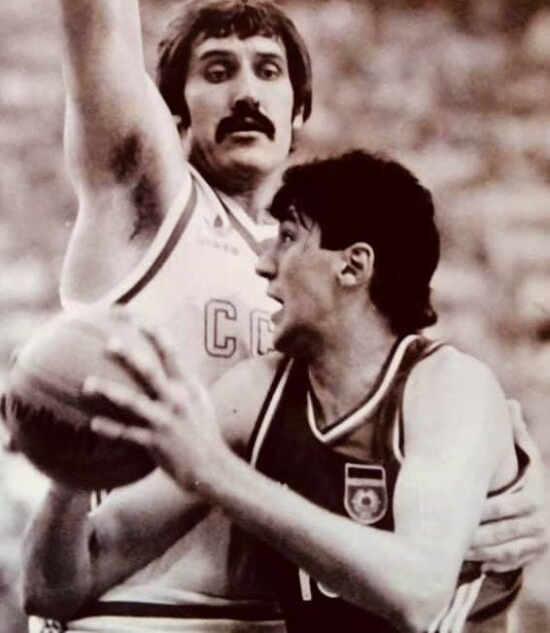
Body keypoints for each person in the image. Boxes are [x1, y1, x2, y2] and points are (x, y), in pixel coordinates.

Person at [31, 0, 545, 629]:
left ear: (300, 112)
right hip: (135, 603)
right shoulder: (151, 196)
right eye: (216, 70)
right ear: (173, 112)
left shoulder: (312, 262)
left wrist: (521, 489)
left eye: (269, 71)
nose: (246, 90)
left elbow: (428, 419)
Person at [24, 151, 529, 633]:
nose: (264, 263)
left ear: (353, 266)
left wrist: (217, 473)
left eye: (287, 238)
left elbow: (418, 595)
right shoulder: (258, 391)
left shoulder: (450, 389)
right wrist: (69, 471)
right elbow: (57, 588)